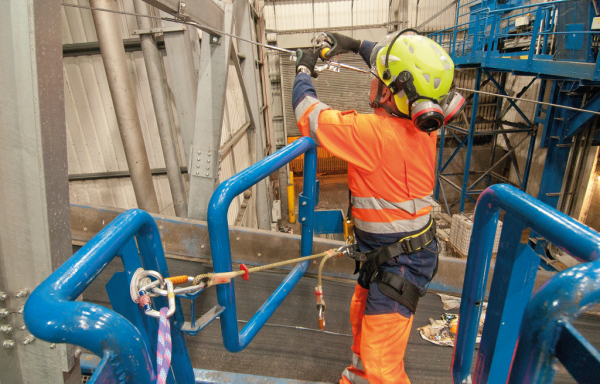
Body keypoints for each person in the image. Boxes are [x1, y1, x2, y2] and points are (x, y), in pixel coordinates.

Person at [292, 31, 464, 383]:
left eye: (376, 78)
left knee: (382, 363)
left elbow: (308, 114)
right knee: (362, 320)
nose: (372, 79)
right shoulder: (426, 127)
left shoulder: (370, 134)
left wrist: (303, 69)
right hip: (395, 255)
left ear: (389, 92)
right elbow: (391, 67)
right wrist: (354, 46)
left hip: (399, 262)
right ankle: (356, 377)